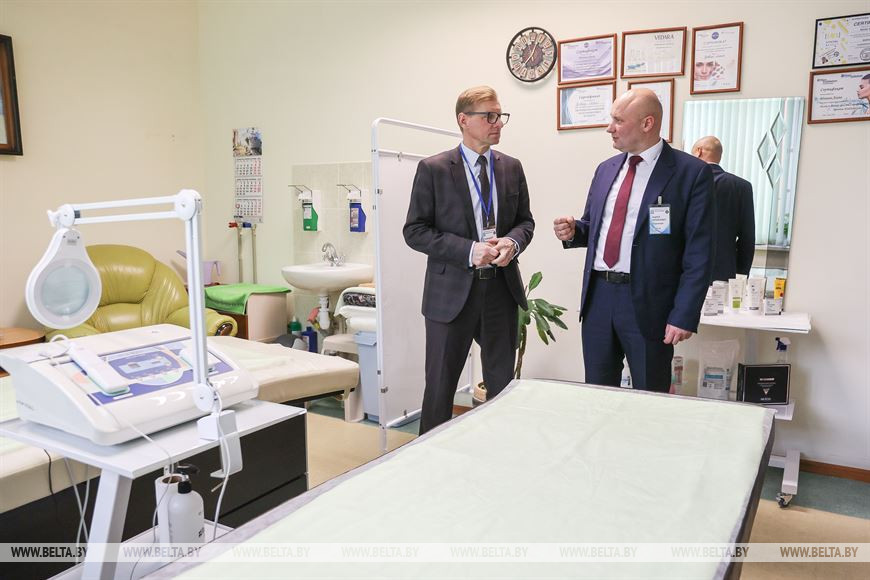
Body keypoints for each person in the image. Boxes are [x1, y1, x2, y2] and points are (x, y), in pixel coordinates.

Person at [553, 89, 713, 392]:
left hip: (650, 303)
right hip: (599, 297)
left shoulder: (691, 173)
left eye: (618, 120)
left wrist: (684, 314)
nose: (609, 128)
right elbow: (595, 226)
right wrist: (575, 231)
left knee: (649, 396)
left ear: (647, 123)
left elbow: (700, 252)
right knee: (597, 392)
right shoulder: (606, 169)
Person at [404, 86, 534, 434]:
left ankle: (496, 452)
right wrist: (468, 251)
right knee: (440, 388)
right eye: (489, 116)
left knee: (502, 387)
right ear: (464, 120)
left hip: (500, 292)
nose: (498, 123)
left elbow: (525, 222)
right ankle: (429, 457)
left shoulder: (511, 167)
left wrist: (512, 242)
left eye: (500, 116)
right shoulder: (433, 169)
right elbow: (415, 231)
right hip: (450, 295)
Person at [691, 136, 755, 282]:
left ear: (698, 151)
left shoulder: (686, 183)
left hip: (685, 272)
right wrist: (740, 278)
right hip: (725, 272)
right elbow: (747, 239)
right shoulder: (742, 187)